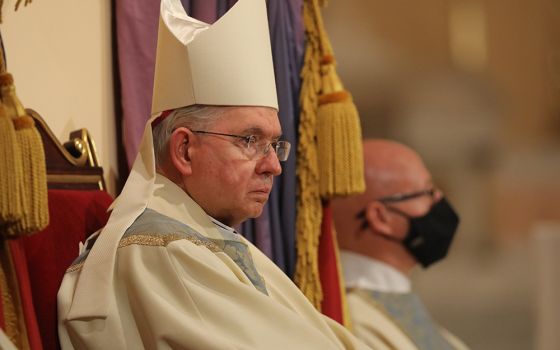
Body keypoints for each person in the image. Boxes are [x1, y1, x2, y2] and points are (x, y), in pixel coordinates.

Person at [57, 0, 371, 349]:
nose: (274, 165)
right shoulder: (161, 251)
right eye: (251, 141)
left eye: (275, 144)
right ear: (184, 150)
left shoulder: (205, 237)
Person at [332, 139, 469, 350]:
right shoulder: (351, 323)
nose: (439, 199)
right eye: (428, 192)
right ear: (381, 217)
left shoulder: (395, 297)